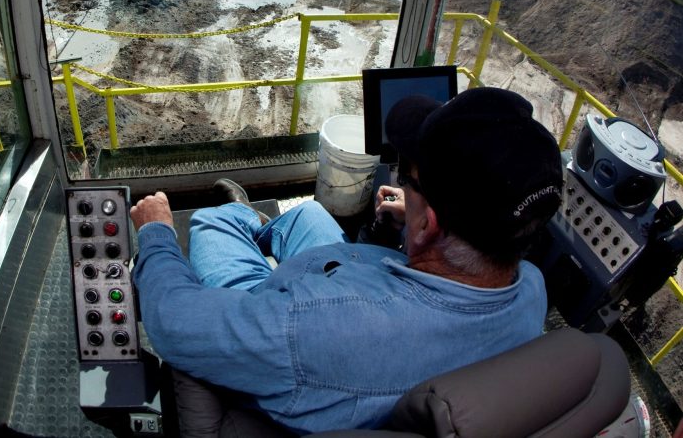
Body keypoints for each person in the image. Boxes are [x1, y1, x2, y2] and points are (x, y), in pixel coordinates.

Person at [129, 87, 564, 434]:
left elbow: (172, 319)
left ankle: (238, 217)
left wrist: (155, 231)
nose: (401, 184)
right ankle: (259, 224)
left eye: (405, 178)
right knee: (308, 214)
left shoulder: (309, 326)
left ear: (429, 224)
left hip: (295, 321)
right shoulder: (529, 289)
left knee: (213, 223)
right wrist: (407, 225)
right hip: (365, 295)